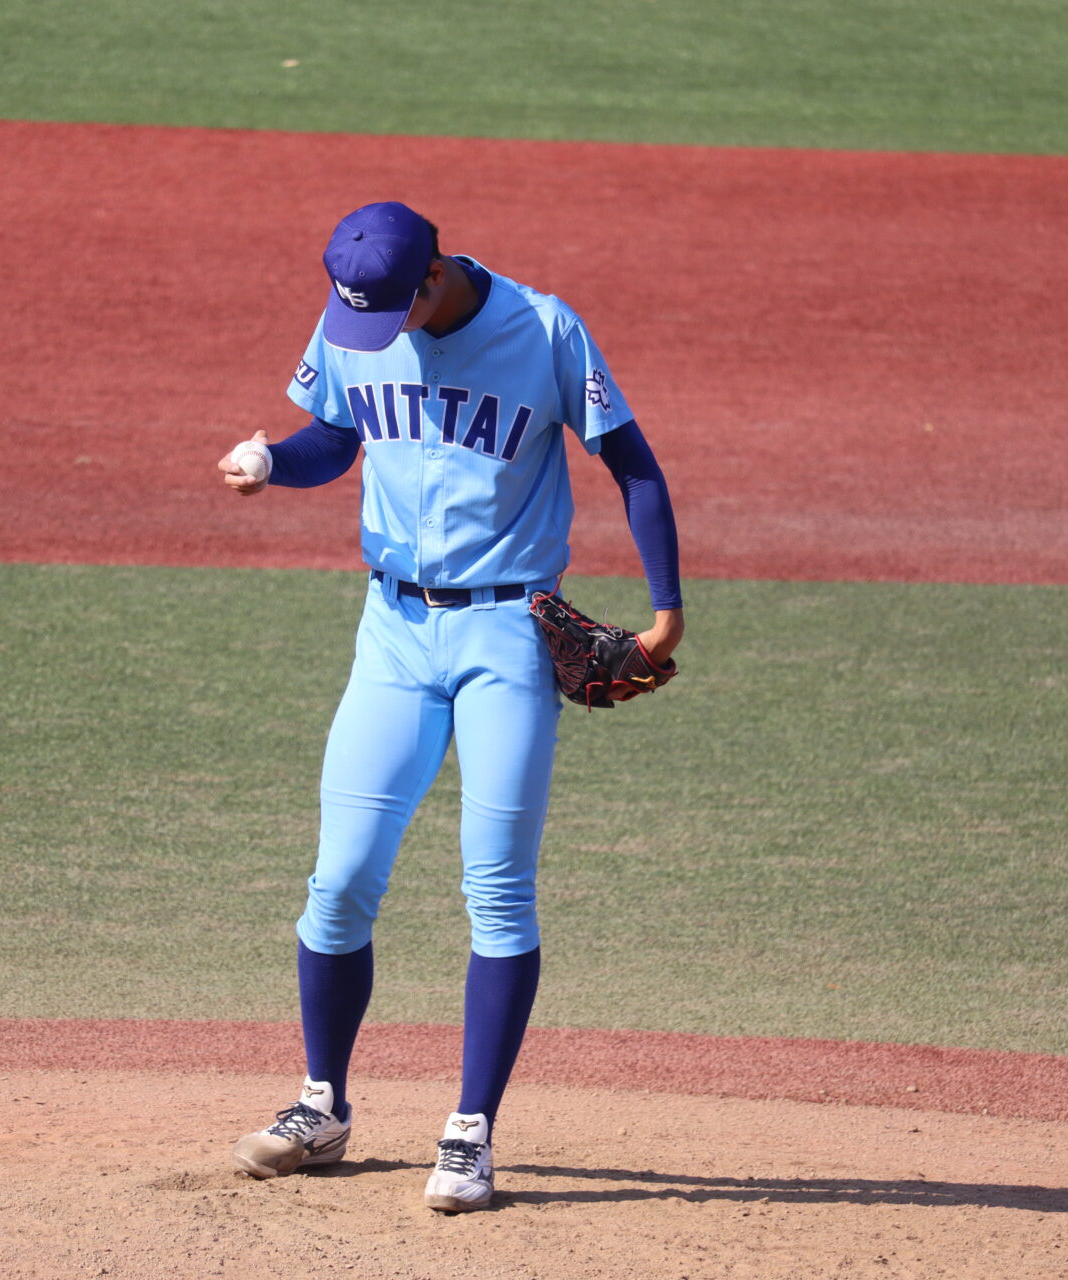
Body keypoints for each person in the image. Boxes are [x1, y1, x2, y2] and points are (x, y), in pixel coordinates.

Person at [216, 201, 683, 1212]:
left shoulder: (544, 329)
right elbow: (334, 436)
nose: (369, 333)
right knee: (340, 879)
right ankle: (321, 1104)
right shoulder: (359, 316)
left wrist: (667, 612)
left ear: (432, 275)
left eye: (388, 313)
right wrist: (273, 461)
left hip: (506, 635)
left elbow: (632, 463)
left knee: (497, 887)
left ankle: (470, 1132)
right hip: (390, 633)